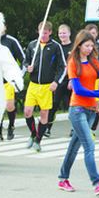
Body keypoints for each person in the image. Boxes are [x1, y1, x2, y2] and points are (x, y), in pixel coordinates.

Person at [57, 30, 99, 196]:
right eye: (87, 45)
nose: (90, 48)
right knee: (89, 145)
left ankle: (63, 178)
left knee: (74, 147)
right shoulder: (73, 62)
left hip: (90, 111)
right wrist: (98, 94)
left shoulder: (94, 61)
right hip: (78, 109)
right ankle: (97, 183)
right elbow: (79, 89)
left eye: (92, 46)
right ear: (79, 45)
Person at [23, 21, 66, 152]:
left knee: (44, 114)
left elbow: (62, 67)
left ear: (50, 33)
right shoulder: (32, 45)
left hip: (47, 86)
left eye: (45, 33)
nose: (43, 35)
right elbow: (26, 61)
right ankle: (32, 133)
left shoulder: (55, 46)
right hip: (33, 85)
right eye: (41, 32)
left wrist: (56, 82)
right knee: (27, 112)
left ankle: (38, 140)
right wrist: (27, 67)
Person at [0, 29, 25, 141]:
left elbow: (23, 59)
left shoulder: (11, 41)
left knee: (9, 106)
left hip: (8, 80)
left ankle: (11, 126)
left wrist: (19, 76)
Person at [46, 24, 73, 137]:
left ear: (69, 33)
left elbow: (76, 65)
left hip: (71, 81)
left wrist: (72, 79)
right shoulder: (56, 47)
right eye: (60, 33)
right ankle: (47, 128)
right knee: (54, 104)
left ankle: (74, 129)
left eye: (64, 33)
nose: (62, 35)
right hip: (59, 80)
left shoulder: (74, 47)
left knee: (71, 105)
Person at [85, 24, 99, 134]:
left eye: (93, 33)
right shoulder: (82, 46)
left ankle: (91, 129)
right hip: (85, 79)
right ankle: (82, 127)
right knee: (83, 105)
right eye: (89, 33)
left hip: (96, 80)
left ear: (97, 34)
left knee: (94, 106)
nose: (91, 35)